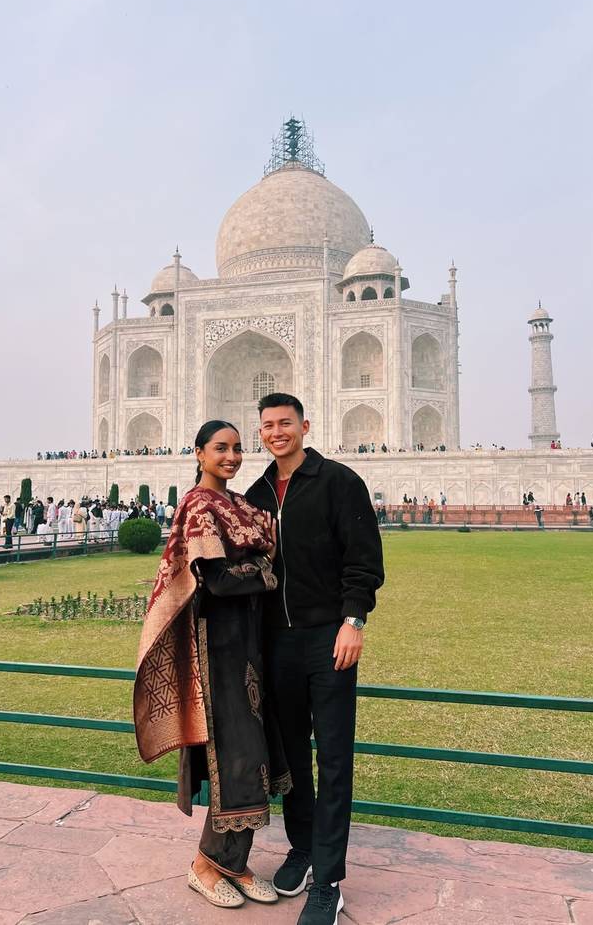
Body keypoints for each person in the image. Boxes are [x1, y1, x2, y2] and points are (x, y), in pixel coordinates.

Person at [134, 420, 287, 910]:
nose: (232, 456)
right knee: (237, 755)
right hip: (218, 647)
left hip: (249, 642)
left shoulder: (238, 504)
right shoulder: (199, 505)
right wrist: (266, 572)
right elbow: (217, 580)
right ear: (199, 453)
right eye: (221, 448)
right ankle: (206, 865)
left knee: (257, 756)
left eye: (238, 448)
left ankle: (233, 865)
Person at [246, 393, 384, 925]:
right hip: (277, 642)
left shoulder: (338, 482)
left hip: (328, 638)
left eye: (285, 423)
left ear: (304, 425)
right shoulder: (257, 493)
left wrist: (354, 620)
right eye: (268, 426)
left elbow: (364, 560)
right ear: (260, 433)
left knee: (333, 757)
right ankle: (302, 849)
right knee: (290, 758)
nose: (277, 432)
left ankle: (327, 879)